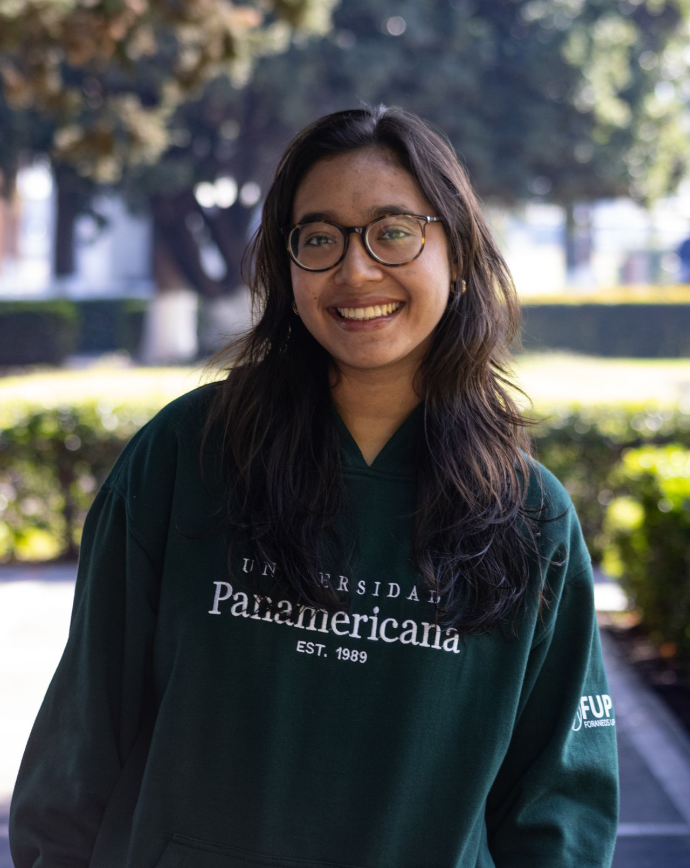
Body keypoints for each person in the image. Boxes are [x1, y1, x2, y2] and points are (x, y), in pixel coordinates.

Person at [9, 105, 619, 868]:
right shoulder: (186, 455)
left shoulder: (529, 516)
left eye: (394, 231)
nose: (355, 270)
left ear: (457, 251)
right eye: (320, 237)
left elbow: (559, 804)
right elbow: (81, 737)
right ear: (287, 265)